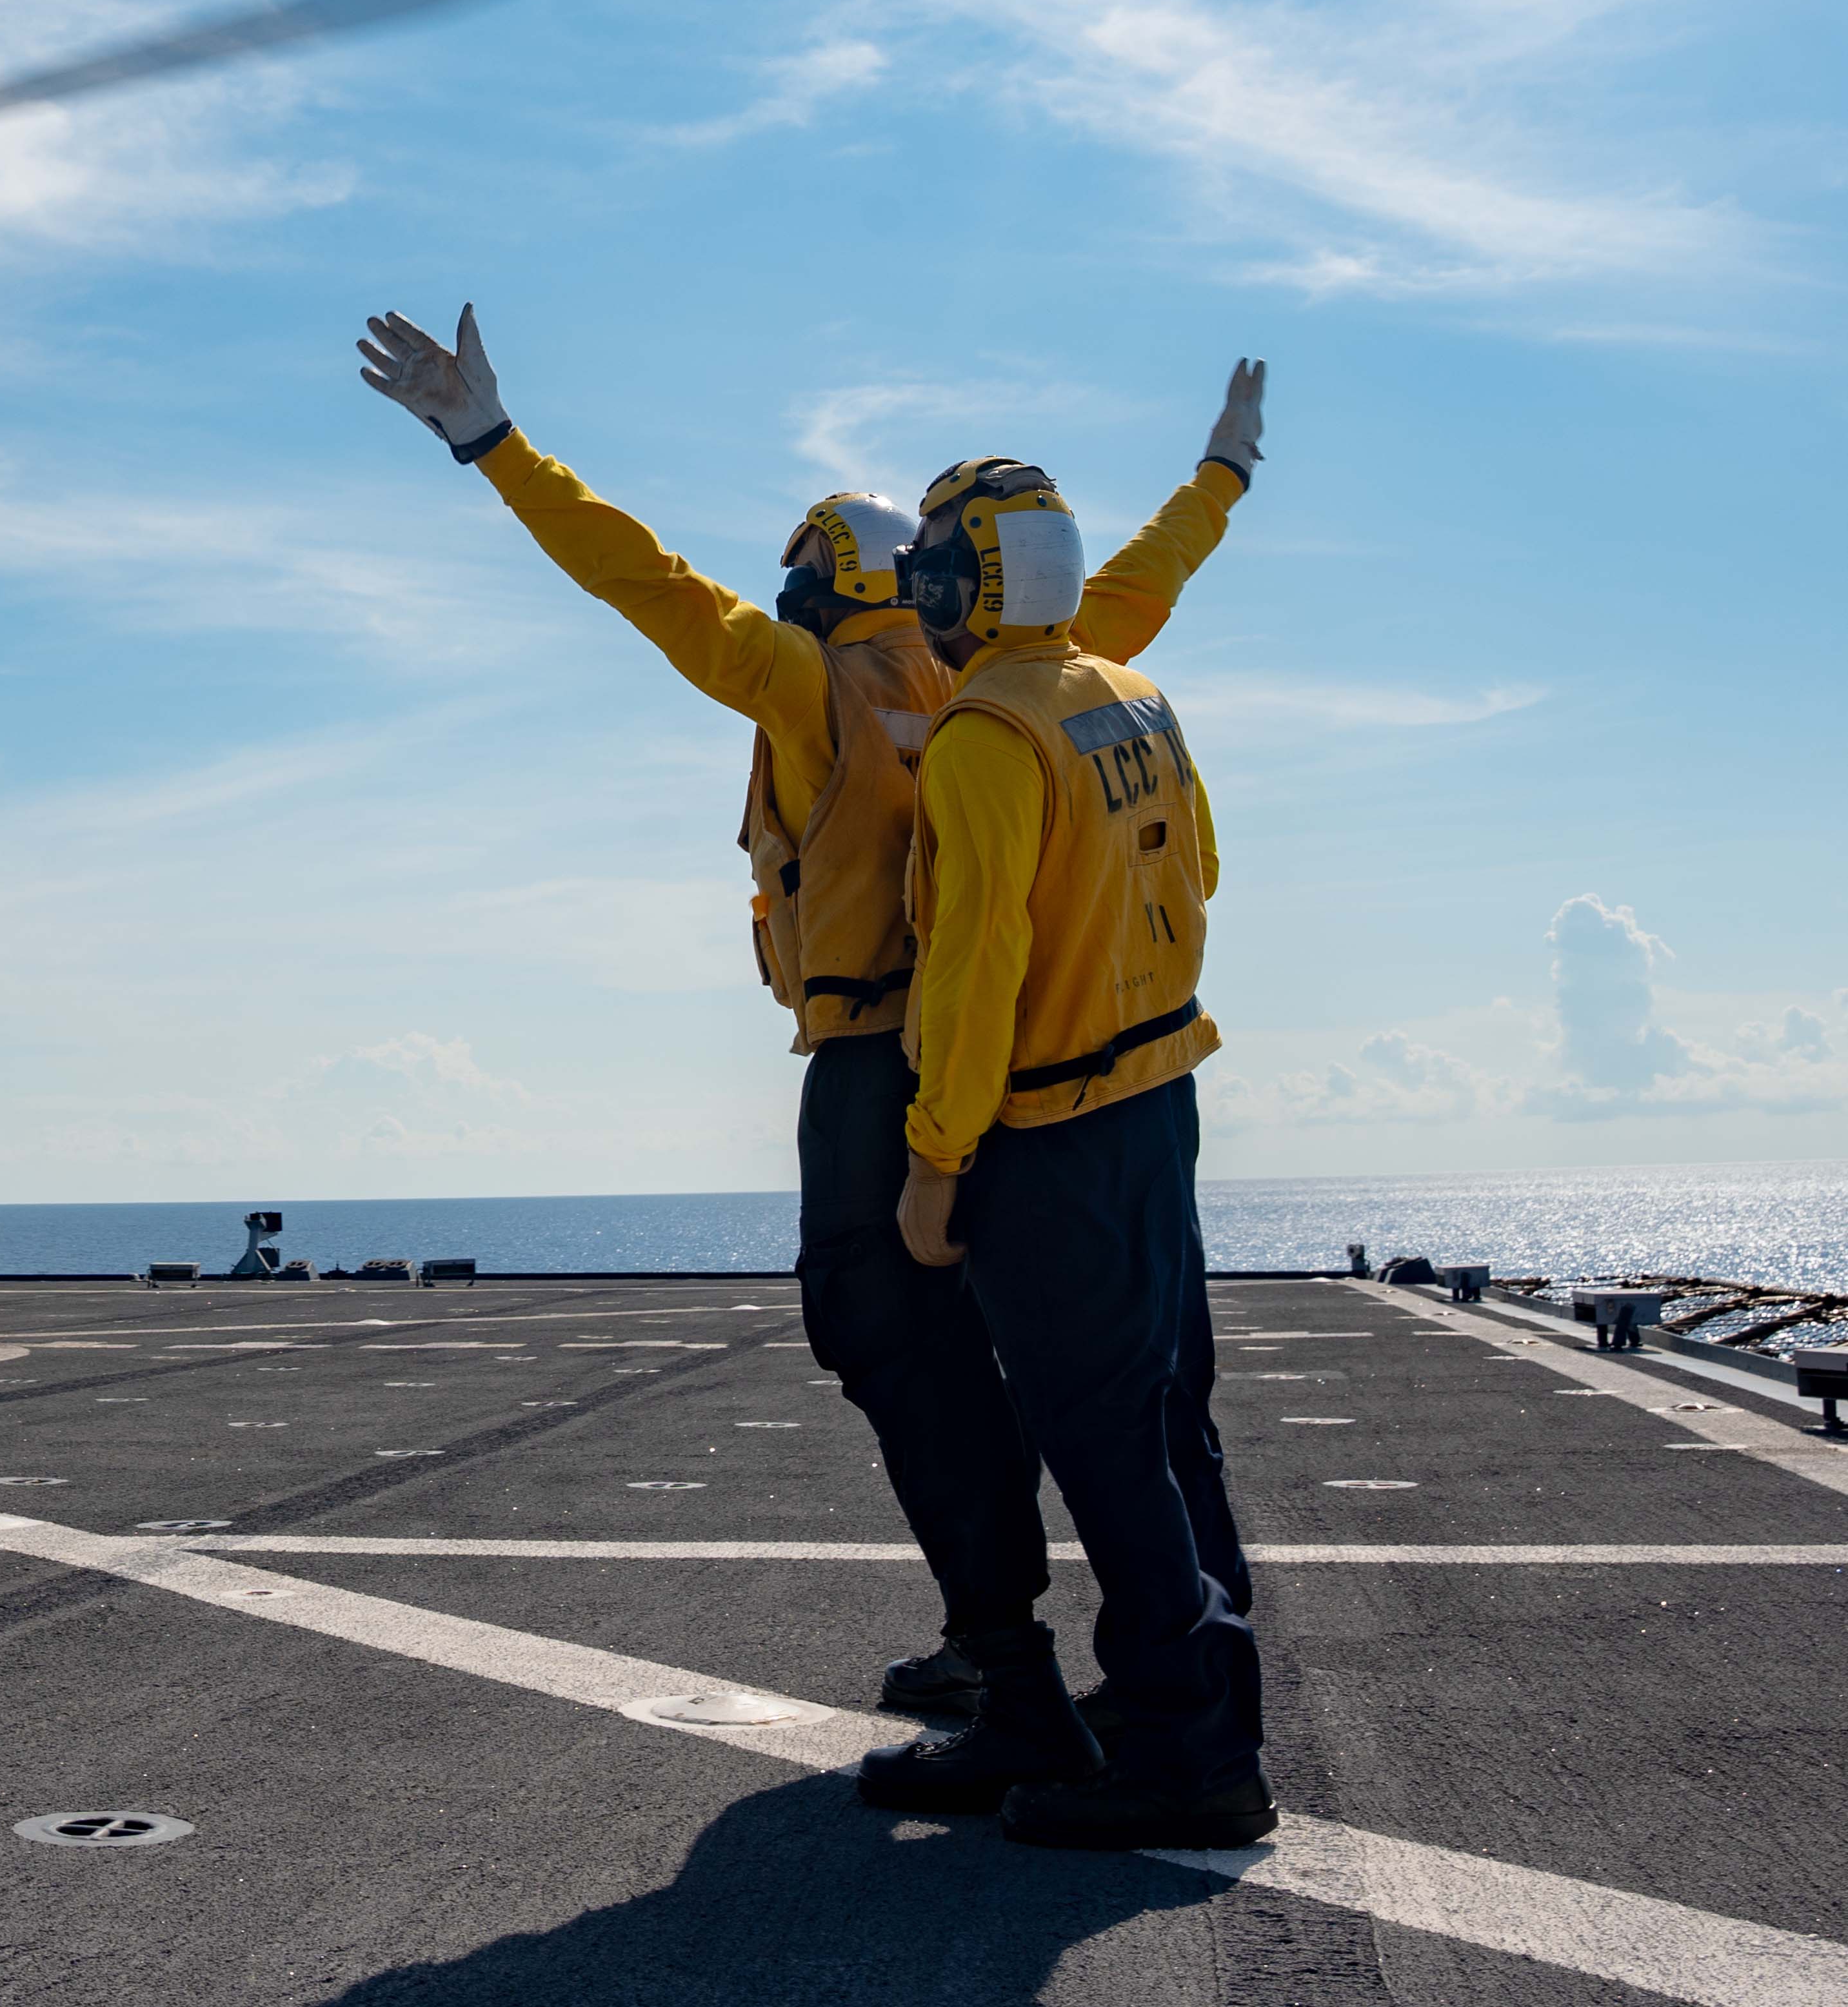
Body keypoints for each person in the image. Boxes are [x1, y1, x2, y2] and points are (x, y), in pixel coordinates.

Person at [352, 308, 1262, 1808]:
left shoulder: (808, 683)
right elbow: (1153, 572)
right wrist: (1223, 467)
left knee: (898, 1355)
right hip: (1060, 1084)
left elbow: (642, 577)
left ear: (817, 585)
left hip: (880, 1076)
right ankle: (1165, 1678)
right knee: (1116, 1386)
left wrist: (492, 446)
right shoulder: (1047, 660)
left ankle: (1012, 1670)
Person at [890, 453, 1273, 1850]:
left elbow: (975, 966)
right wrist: (1224, 468)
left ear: (981, 576)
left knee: (1103, 1441)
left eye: (935, 559)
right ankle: (1198, 1707)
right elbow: (1202, 869)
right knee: (1173, 1424)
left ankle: (1183, 1750)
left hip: (1048, 1135)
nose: (914, 582)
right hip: (1159, 1099)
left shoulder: (985, 734)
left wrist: (937, 1158)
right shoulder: (1131, 694)